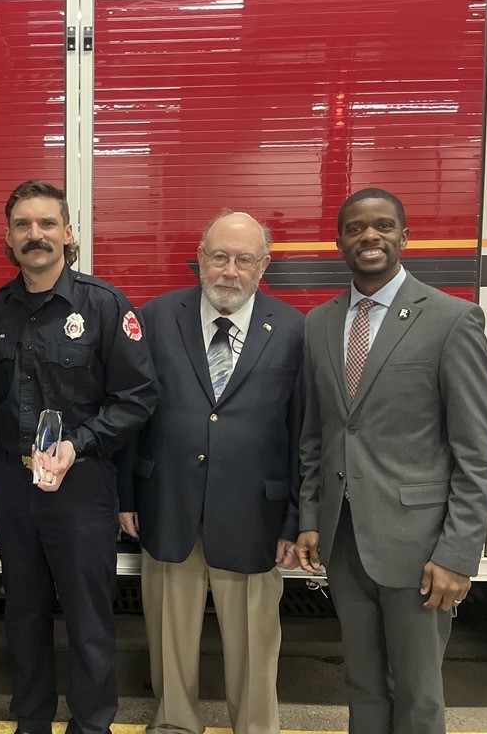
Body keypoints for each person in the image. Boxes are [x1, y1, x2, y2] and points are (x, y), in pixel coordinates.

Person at [295, 188, 487, 733]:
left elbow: (477, 453)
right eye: (356, 228)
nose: (370, 237)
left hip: (420, 549)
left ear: (405, 238)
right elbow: (316, 435)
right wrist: (311, 518)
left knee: (417, 692)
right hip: (345, 542)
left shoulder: (452, 320)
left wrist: (458, 553)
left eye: (383, 226)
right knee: (361, 684)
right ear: (339, 242)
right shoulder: (319, 324)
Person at [0, 180, 157, 734]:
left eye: (47, 224)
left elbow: (138, 397)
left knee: (88, 616)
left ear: (68, 232)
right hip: (13, 479)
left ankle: (91, 723)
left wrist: (78, 443)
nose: (36, 235)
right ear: (8, 236)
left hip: (82, 484)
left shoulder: (103, 305)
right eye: (23, 225)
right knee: (22, 614)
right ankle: (30, 720)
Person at [116, 211, 303, 734]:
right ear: (199, 258)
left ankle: (256, 726)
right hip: (167, 502)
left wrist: (293, 519)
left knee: (255, 637)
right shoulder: (153, 318)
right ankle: (175, 721)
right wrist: (125, 495)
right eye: (218, 256)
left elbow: (302, 432)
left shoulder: (292, 329)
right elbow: (131, 415)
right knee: (169, 634)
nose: (229, 271)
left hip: (255, 512)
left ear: (263, 265)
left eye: (244, 260)